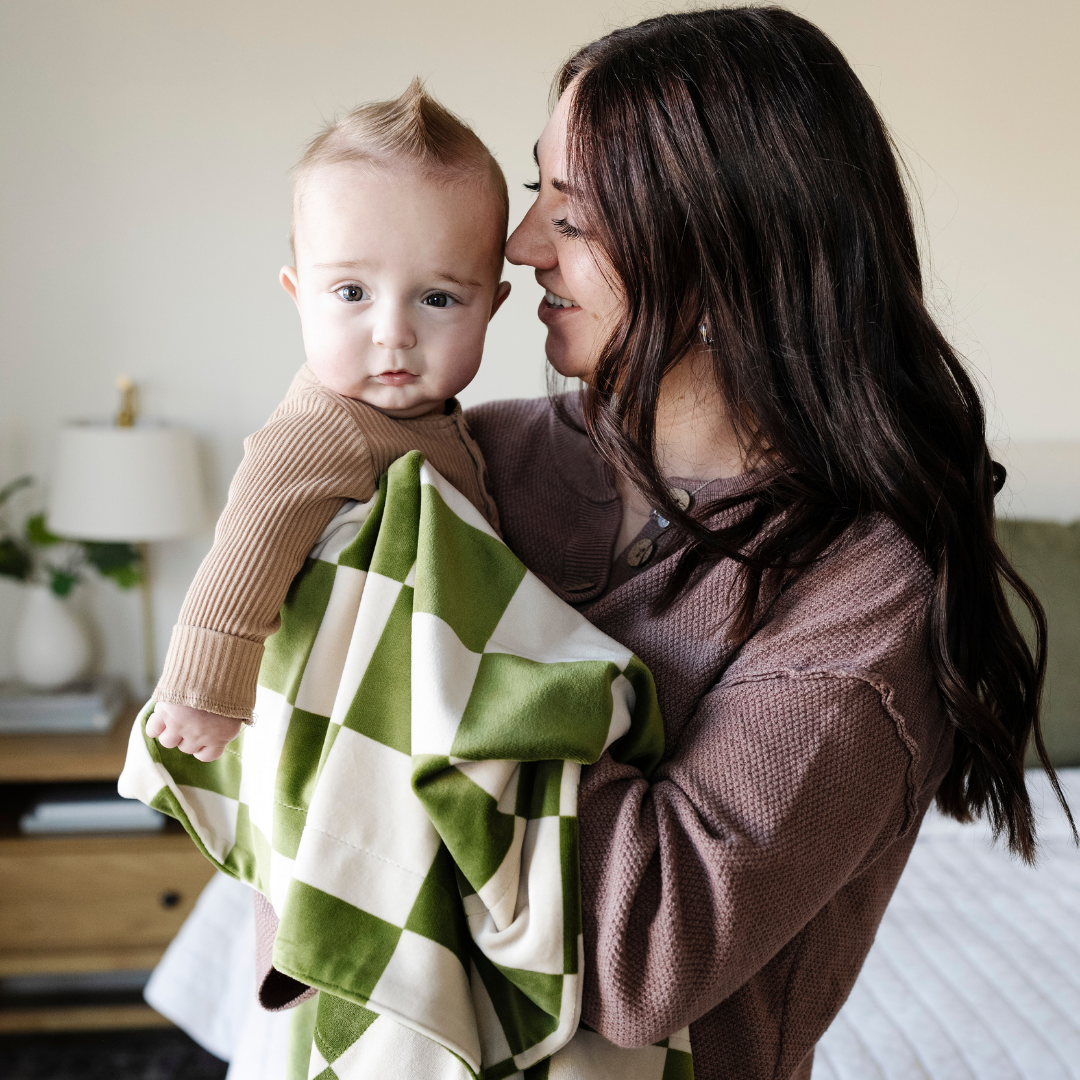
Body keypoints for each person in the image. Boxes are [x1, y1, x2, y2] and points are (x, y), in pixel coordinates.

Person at [465, 8, 1073, 1079]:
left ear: (730, 242)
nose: (520, 249)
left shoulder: (868, 585)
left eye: (576, 213)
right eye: (535, 194)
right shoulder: (491, 454)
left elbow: (636, 958)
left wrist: (434, 653)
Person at [144, 81, 510, 759]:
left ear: (492, 305)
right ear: (298, 296)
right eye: (351, 292)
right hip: (354, 723)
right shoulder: (325, 427)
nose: (393, 332)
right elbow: (250, 544)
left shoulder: (447, 422)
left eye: (437, 297)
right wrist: (201, 690)